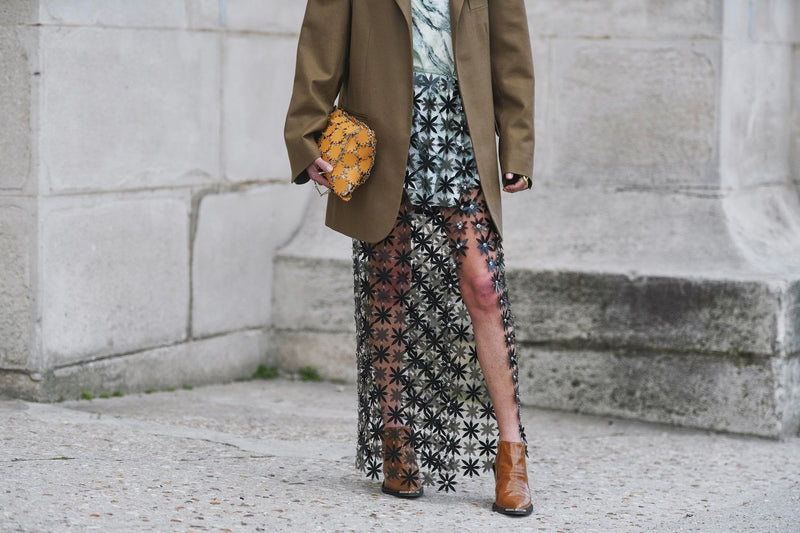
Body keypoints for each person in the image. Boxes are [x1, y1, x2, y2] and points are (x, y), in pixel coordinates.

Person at [284, 0, 535, 516]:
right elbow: (321, 40)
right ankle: (395, 436)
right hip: (385, 137)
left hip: (463, 135)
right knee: (390, 285)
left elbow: (511, 47)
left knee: (484, 287)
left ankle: (512, 452)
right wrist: (305, 132)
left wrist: (518, 143)